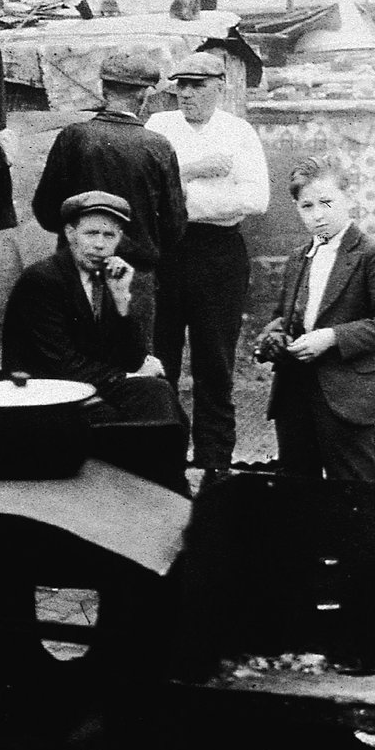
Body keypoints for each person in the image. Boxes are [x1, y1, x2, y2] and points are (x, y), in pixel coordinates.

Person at [145, 50, 270, 482]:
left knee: (214, 361)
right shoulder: (158, 128)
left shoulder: (238, 132)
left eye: (197, 85)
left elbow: (256, 199)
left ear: (221, 86)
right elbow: (146, 190)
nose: (186, 94)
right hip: (165, 253)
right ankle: (162, 457)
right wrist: (199, 171)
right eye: (180, 84)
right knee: (159, 357)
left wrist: (181, 192)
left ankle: (215, 460)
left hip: (219, 255)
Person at [253, 159, 375, 481]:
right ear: (297, 208)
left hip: (348, 389)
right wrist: (275, 335)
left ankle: (367, 533)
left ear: (347, 198)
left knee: (355, 483)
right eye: (307, 206)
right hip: (295, 388)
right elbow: (285, 314)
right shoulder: (299, 257)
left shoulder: (372, 254)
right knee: (298, 483)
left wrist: (333, 336)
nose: (318, 214)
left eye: (327, 202)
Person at [32, 50, 187, 342]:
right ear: (143, 96)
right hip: (133, 278)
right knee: (132, 368)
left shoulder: (72, 137)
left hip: (75, 275)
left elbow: (45, 211)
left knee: (77, 372)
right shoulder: (158, 147)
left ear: (103, 89)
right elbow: (174, 226)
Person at [2, 190, 181, 426]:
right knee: (138, 414)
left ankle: (163, 461)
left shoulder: (106, 278)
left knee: (158, 396)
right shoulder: (43, 280)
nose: (99, 245)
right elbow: (59, 363)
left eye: (109, 236)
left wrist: (121, 299)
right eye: (91, 234)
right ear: (70, 234)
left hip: (88, 385)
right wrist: (127, 377)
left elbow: (131, 358)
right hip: (43, 391)